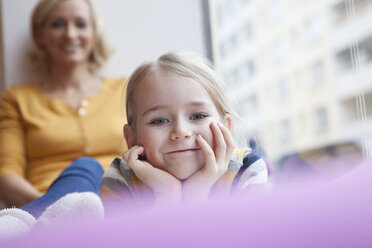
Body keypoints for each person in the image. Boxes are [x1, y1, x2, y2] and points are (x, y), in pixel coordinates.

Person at [0, 0, 127, 212]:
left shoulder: (126, 89)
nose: (70, 34)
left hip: (119, 206)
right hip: (45, 207)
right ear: (40, 35)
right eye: (57, 24)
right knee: (85, 169)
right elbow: (6, 174)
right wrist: (56, 206)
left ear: (94, 33)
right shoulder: (16, 99)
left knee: (89, 167)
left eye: (80, 24)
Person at [100, 51, 268, 208]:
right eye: (159, 120)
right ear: (132, 138)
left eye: (197, 116)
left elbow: (247, 238)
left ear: (226, 127)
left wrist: (196, 196)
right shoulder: (120, 179)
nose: (180, 131)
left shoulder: (246, 169)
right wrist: (167, 196)